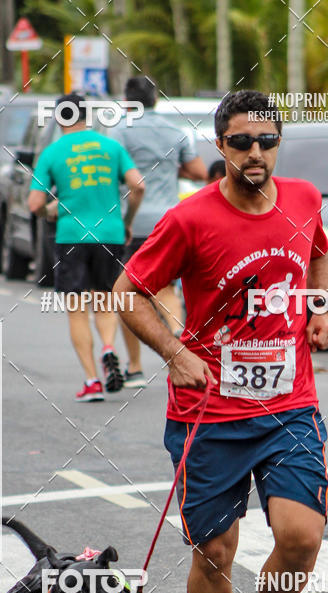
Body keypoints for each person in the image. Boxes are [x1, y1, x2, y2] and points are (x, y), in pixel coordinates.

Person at [114, 90, 328, 593]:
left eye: (266, 140)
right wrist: (177, 355)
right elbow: (128, 293)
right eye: (241, 142)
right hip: (207, 415)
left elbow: (317, 252)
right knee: (215, 553)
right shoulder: (191, 219)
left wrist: (319, 312)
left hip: (289, 407)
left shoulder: (303, 199)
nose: (255, 152)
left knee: (301, 539)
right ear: (221, 147)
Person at [28, 93, 145, 402]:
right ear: (87, 117)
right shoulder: (112, 147)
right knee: (105, 301)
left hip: (71, 236)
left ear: (59, 118)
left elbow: (35, 203)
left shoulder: (52, 153)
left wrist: (50, 211)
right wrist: (128, 220)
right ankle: (109, 347)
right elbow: (138, 185)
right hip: (110, 233)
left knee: (77, 310)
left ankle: (92, 381)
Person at [111, 76, 207, 387]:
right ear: (156, 100)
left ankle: (135, 368)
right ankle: (179, 331)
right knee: (166, 287)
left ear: (127, 102)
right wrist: (168, 166)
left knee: (128, 292)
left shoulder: (119, 131)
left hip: (132, 222)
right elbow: (199, 172)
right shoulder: (175, 132)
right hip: (169, 220)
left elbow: (114, 172)